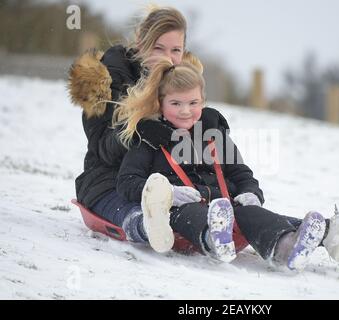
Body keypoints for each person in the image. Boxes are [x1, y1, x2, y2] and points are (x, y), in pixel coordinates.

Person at [109, 56, 339, 271]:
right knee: (196, 213)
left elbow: (241, 173)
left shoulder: (214, 136)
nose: (185, 110)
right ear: (160, 103)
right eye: (175, 103)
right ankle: (215, 241)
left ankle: (290, 248)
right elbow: (127, 182)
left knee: (253, 214)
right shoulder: (148, 140)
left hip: (228, 210)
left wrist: (251, 192)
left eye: (193, 102)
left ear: (203, 101)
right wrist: (170, 194)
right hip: (181, 216)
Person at [68, 6, 229, 219]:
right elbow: (103, 147)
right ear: (140, 42)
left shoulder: (183, 82)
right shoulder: (108, 80)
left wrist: (204, 125)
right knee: (140, 214)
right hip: (110, 180)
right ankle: (141, 224)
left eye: (175, 50)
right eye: (158, 48)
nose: (168, 59)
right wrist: (138, 131)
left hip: (170, 181)